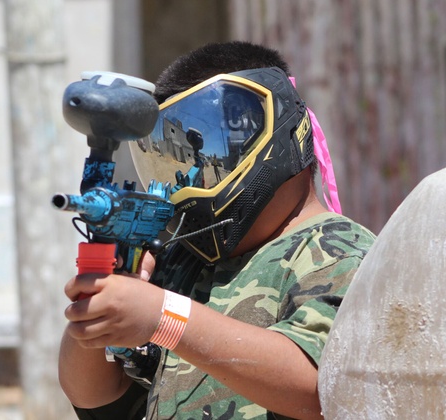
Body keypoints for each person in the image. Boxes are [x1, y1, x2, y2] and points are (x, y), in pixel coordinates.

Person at [58, 41, 376, 420]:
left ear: (284, 133)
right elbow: (92, 396)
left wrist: (163, 316)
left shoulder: (340, 252)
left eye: (214, 157)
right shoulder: (181, 260)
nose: (190, 186)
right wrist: (103, 302)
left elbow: (322, 388)